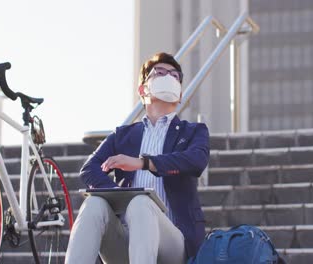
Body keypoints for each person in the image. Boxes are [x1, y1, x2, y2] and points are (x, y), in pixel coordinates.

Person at [65, 52, 210, 264]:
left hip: (175, 244)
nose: (169, 77)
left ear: (180, 94)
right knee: (94, 203)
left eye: (175, 75)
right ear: (143, 90)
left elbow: (196, 160)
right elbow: (89, 169)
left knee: (142, 202)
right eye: (160, 72)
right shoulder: (122, 136)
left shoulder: (193, 131)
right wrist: (118, 194)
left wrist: (144, 162)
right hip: (126, 241)